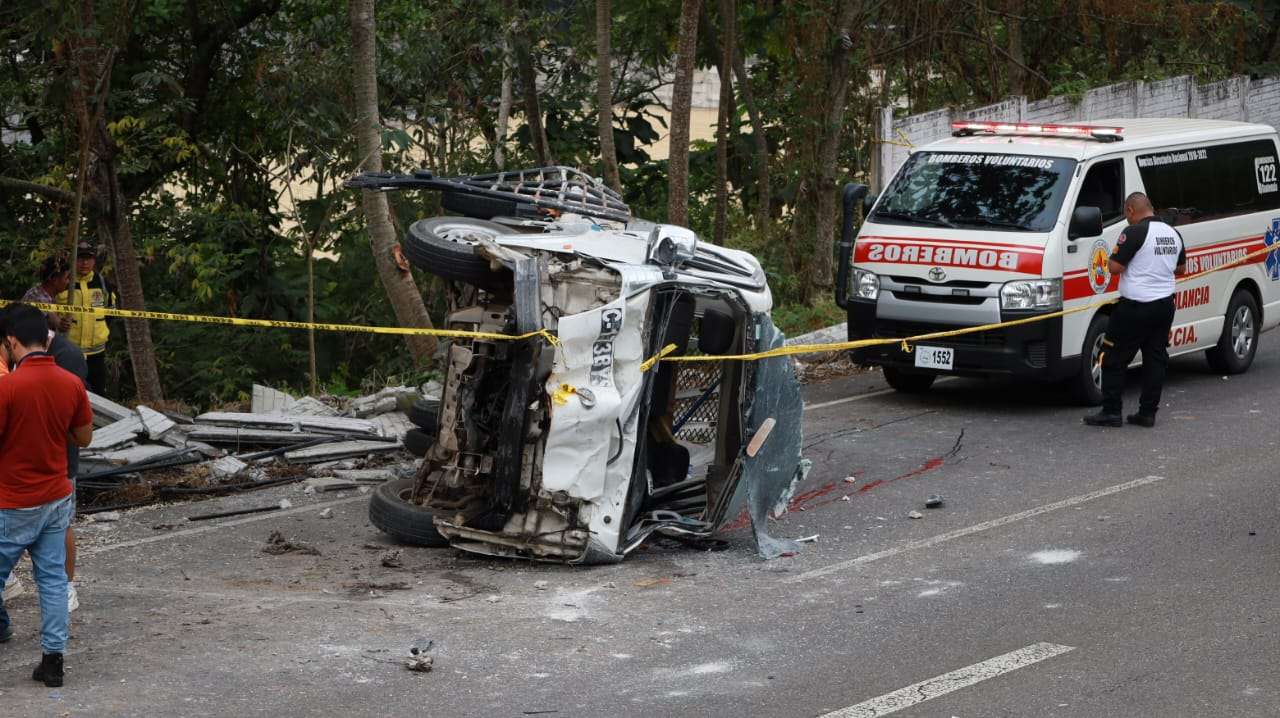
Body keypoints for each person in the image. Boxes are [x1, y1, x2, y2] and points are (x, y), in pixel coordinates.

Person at [0, 303, 93, 688]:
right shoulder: (70, 382)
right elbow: (84, 438)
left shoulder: (7, 387)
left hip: (12, 499)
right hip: (57, 495)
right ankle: (53, 662)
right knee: (53, 580)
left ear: (12, 342)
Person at [1084, 192, 1186, 428]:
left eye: (1126, 214)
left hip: (1135, 307)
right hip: (1164, 306)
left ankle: (1111, 411)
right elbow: (1180, 268)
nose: (1126, 219)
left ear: (1130, 210)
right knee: (1155, 359)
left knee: (1112, 357)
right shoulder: (1173, 233)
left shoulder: (1134, 232)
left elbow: (1115, 267)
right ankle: (1147, 413)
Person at [56, 241, 116, 396]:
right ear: (73, 260)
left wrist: (102, 331)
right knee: (67, 393)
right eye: (80, 258)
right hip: (68, 352)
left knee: (98, 395)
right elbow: (49, 313)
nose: (84, 263)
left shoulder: (102, 283)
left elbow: (111, 312)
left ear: (94, 260)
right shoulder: (63, 282)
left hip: (97, 353)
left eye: (88, 258)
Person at [22, 256, 74, 332]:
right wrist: (61, 324)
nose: (68, 282)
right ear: (54, 280)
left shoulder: (43, 292)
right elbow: (51, 316)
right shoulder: (37, 298)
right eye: (66, 278)